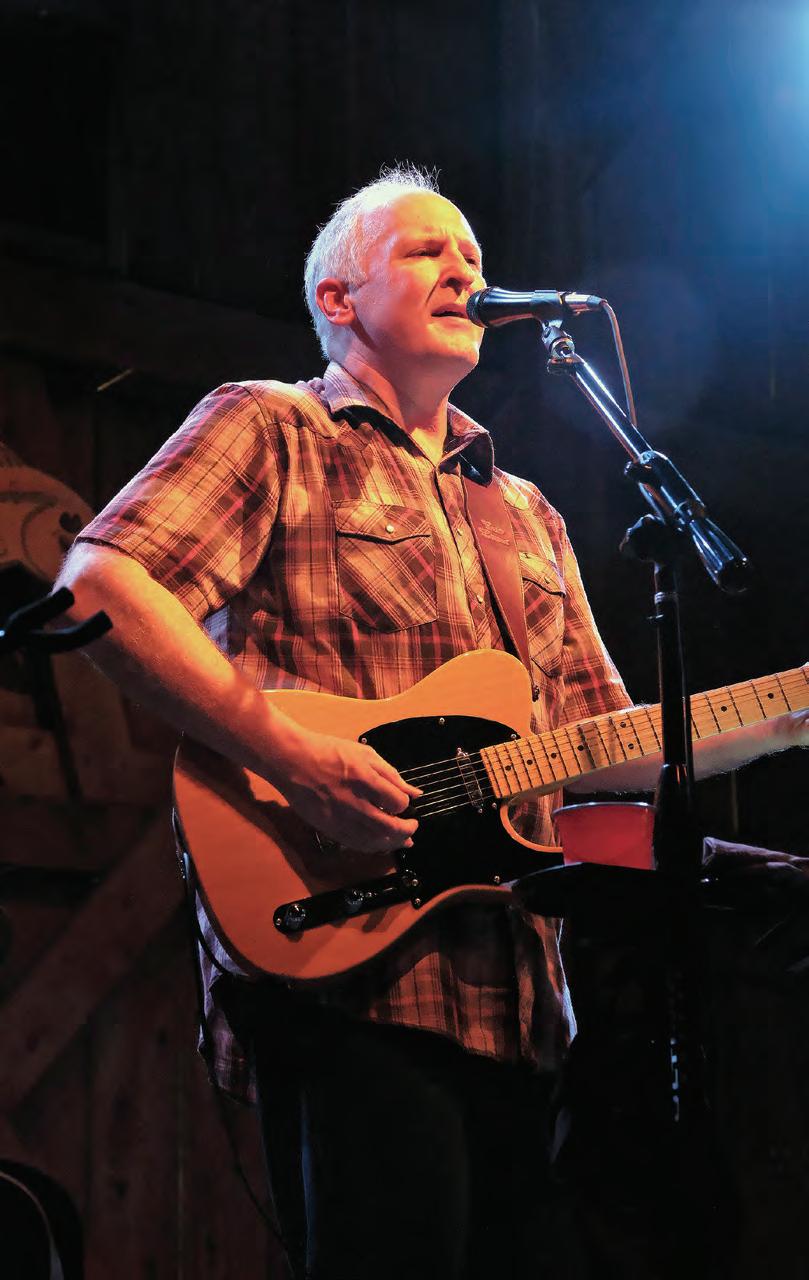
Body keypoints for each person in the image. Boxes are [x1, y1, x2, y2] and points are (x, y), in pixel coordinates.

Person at [56, 165, 807, 1279]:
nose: (464, 270)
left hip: (521, 1005)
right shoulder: (273, 426)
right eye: (425, 251)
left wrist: (788, 713)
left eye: (472, 256)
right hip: (351, 970)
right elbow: (101, 588)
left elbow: (612, 744)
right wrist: (291, 757)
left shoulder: (526, 513)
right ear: (337, 299)